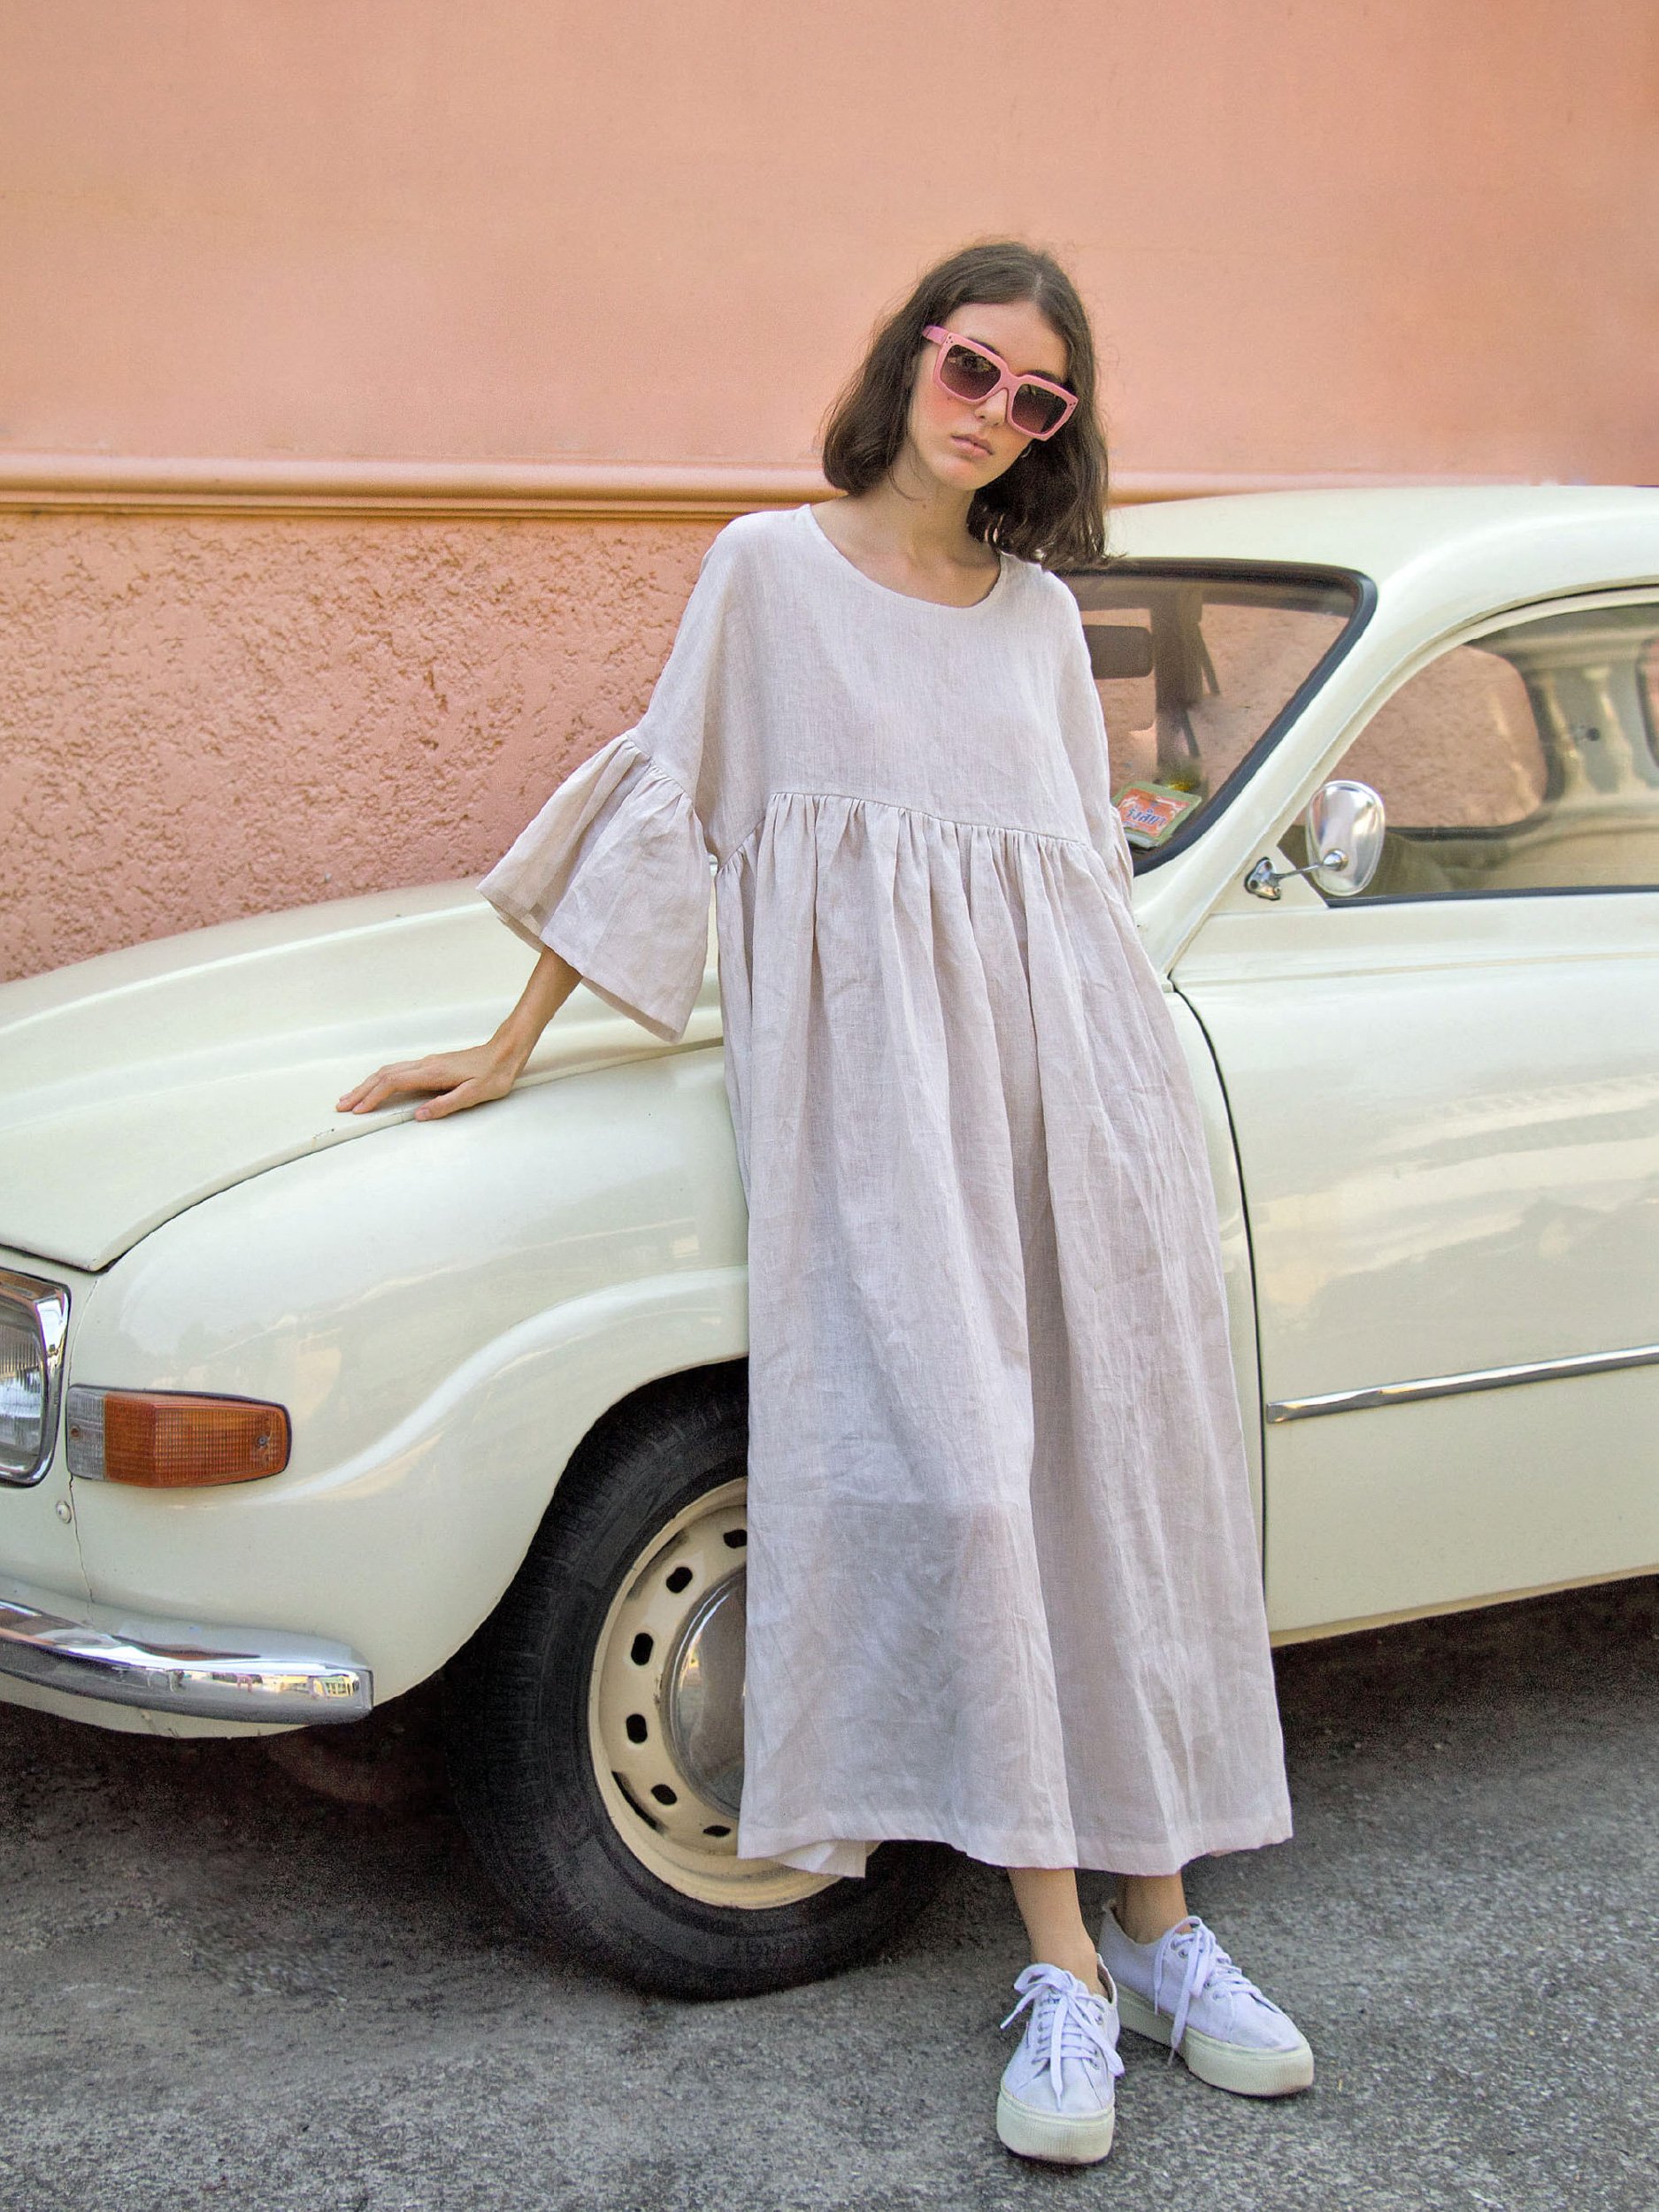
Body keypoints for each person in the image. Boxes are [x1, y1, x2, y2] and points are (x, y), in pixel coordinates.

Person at [339, 239, 1311, 2167]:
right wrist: (512, 1042)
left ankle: (1163, 1923)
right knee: (969, 1490)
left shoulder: (1039, 621)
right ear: (909, 359)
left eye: (1037, 398)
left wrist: (1131, 1126)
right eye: (972, 367)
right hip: (878, 1123)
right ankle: (1061, 1958)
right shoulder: (766, 575)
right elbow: (670, 807)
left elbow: (1081, 895)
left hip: (1076, 1104)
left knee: (1115, 1494)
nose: (994, 413)